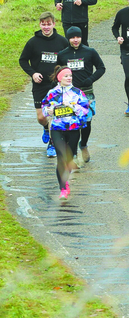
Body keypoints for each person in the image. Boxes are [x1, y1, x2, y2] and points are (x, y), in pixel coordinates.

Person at [19, 11, 69, 156]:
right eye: (43, 24)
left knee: (55, 116)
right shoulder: (33, 42)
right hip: (40, 84)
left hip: (56, 85)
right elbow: (23, 60)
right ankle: (46, 129)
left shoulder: (62, 41)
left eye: (48, 24)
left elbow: (66, 62)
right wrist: (33, 73)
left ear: (54, 24)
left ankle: (52, 145)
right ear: (40, 25)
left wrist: (63, 77)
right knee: (42, 117)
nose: (46, 27)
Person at [57, 26, 105, 164]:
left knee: (86, 122)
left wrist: (91, 79)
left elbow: (101, 68)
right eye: (72, 37)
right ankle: (72, 154)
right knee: (71, 124)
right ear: (68, 39)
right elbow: (57, 73)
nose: (75, 40)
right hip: (69, 94)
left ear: (81, 37)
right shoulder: (62, 55)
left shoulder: (90, 52)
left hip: (86, 93)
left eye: (78, 37)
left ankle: (83, 144)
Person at [41, 66, 89, 199]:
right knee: (61, 157)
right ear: (59, 78)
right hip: (57, 129)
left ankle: (65, 179)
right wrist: (48, 111)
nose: (69, 78)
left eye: (70, 76)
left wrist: (72, 106)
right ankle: (63, 187)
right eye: (66, 76)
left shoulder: (77, 92)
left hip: (73, 128)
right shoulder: (52, 92)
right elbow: (44, 106)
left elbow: (85, 109)